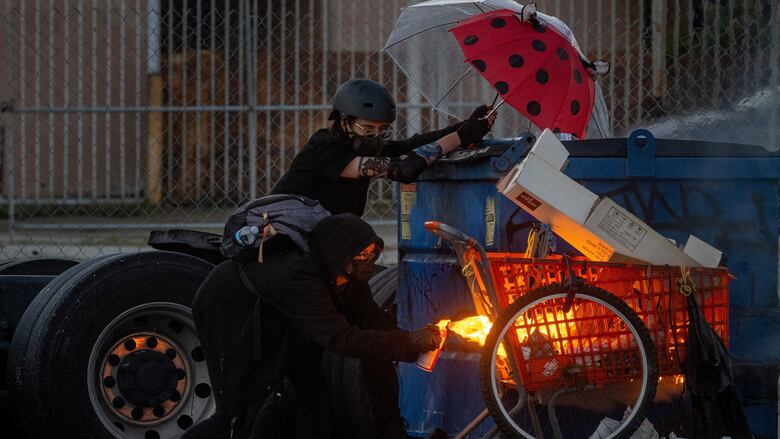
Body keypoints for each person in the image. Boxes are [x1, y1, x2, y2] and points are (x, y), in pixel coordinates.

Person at [184, 213, 443, 439]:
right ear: (340, 255)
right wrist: (409, 343)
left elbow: (374, 325)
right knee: (235, 413)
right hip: (228, 309)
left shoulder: (350, 280)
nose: (370, 259)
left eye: (373, 252)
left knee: (312, 395)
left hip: (281, 315)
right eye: (362, 254)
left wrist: (414, 342)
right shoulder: (301, 278)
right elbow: (341, 340)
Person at [271, 78, 497, 216]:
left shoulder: (361, 145)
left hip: (314, 235)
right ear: (343, 121)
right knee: (360, 238)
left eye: (382, 130)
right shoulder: (326, 148)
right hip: (278, 238)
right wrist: (460, 137)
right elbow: (403, 168)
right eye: (367, 128)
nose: (374, 136)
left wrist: (465, 127)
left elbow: (411, 145)